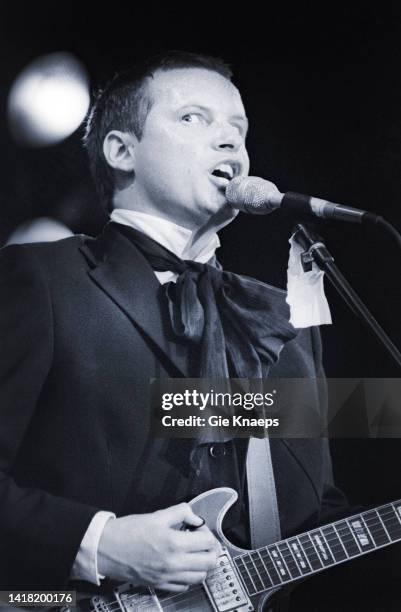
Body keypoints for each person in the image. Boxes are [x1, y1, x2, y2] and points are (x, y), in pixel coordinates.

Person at [0, 51, 347, 602]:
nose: (231, 141)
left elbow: (318, 514)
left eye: (239, 128)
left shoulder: (287, 323)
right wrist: (99, 541)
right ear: (121, 150)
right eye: (194, 118)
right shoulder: (41, 280)